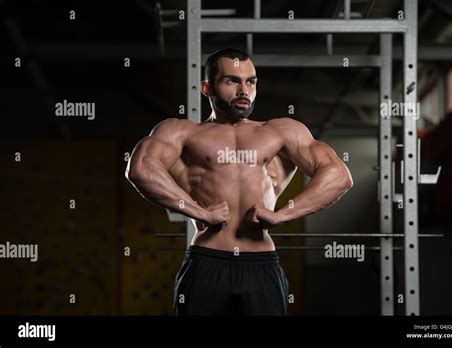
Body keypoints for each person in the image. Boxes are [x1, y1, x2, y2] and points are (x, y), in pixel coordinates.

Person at [126, 48, 353, 315]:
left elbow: (339, 176)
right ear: (207, 87)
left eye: (251, 81)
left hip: (261, 264)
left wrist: (282, 215)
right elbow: (140, 169)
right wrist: (199, 212)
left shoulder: (281, 131)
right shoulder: (183, 132)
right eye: (231, 81)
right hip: (206, 263)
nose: (244, 90)